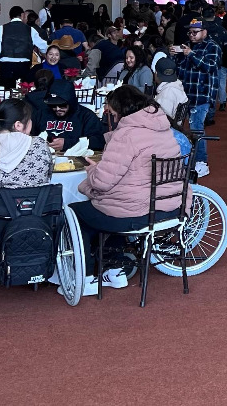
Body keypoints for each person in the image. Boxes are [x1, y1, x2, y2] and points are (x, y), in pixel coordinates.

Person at [71, 86, 186, 288]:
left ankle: (87, 278)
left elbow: (101, 182)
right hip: (171, 209)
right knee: (112, 204)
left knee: (76, 212)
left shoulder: (126, 135)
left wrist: (92, 169)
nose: (112, 117)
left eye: (113, 113)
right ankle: (113, 268)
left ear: (121, 110)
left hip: (138, 215)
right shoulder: (164, 129)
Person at [34, 92, 108, 153]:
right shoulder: (42, 114)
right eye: (53, 105)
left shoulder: (85, 115)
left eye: (62, 105)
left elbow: (99, 141)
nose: (57, 109)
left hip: (76, 159)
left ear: (70, 102)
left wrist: (68, 143)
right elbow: (30, 135)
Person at [0, 6, 46, 85]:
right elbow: (43, 46)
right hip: (23, 65)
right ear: (22, 15)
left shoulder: (1, 28)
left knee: (6, 89)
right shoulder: (30, 30)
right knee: (22, 89)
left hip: (5, 65)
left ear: (9, 17)